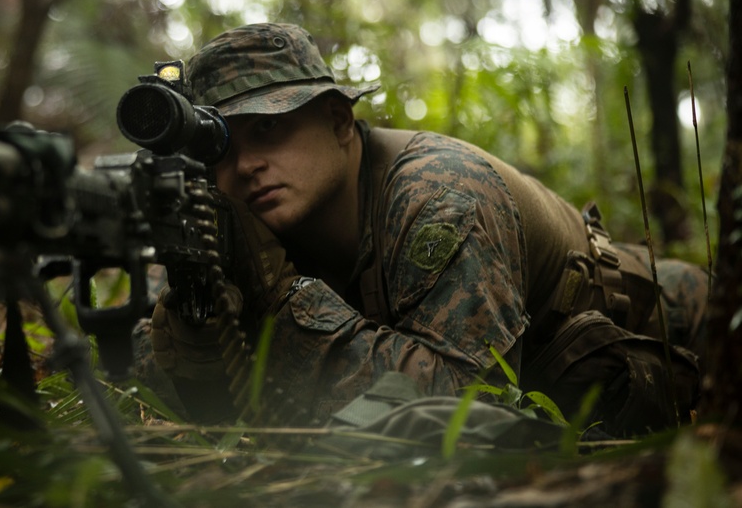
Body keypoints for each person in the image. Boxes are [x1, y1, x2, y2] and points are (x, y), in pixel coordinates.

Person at [133, 22, 708, 437]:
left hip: (684, 319)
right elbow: (151, 362)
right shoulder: (240, 217)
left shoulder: (440, 191)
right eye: (221, 148)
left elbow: (459, 404)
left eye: (267, 130)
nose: (245, 165)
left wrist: (285, 305)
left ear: (337, 121)